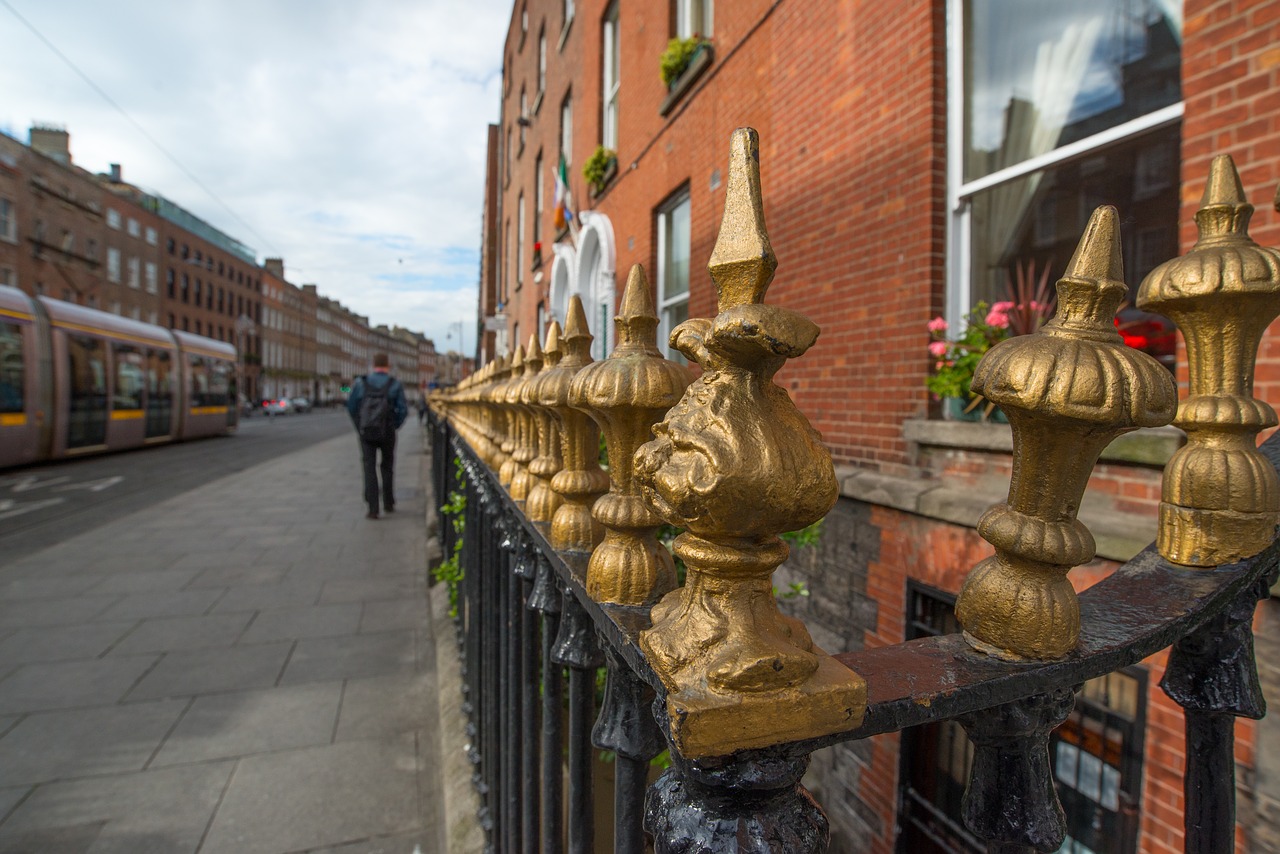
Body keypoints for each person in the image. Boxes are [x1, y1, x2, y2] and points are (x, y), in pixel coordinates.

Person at [346, 353, 409, 519]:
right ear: (387, 365)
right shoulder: (394, 384)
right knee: (387, 466)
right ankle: (388, 502)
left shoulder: (361, 382)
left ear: (373, 365)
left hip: (366, 430)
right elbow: (403, 410)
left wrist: (359, 425)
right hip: (387, 430)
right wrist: (394, 425)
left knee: (369, 467)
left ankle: (373, 508)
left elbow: (351, 406)